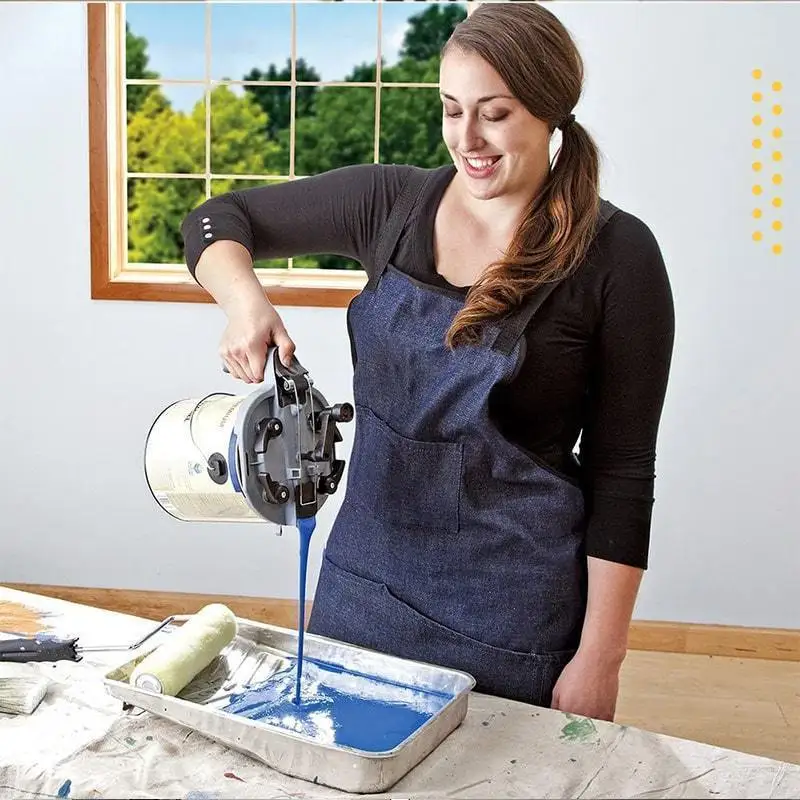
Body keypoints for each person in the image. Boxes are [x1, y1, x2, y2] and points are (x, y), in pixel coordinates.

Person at [181, 2, 674, 722]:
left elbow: (623, 471)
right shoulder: (391, 204)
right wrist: (245, 303)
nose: (467, 139)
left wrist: (602, 657)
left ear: (550, 112)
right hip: (363, 591)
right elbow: (215, 220)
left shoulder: (618, 257)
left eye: (494, 114)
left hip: (511, 619)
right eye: (451, 110)